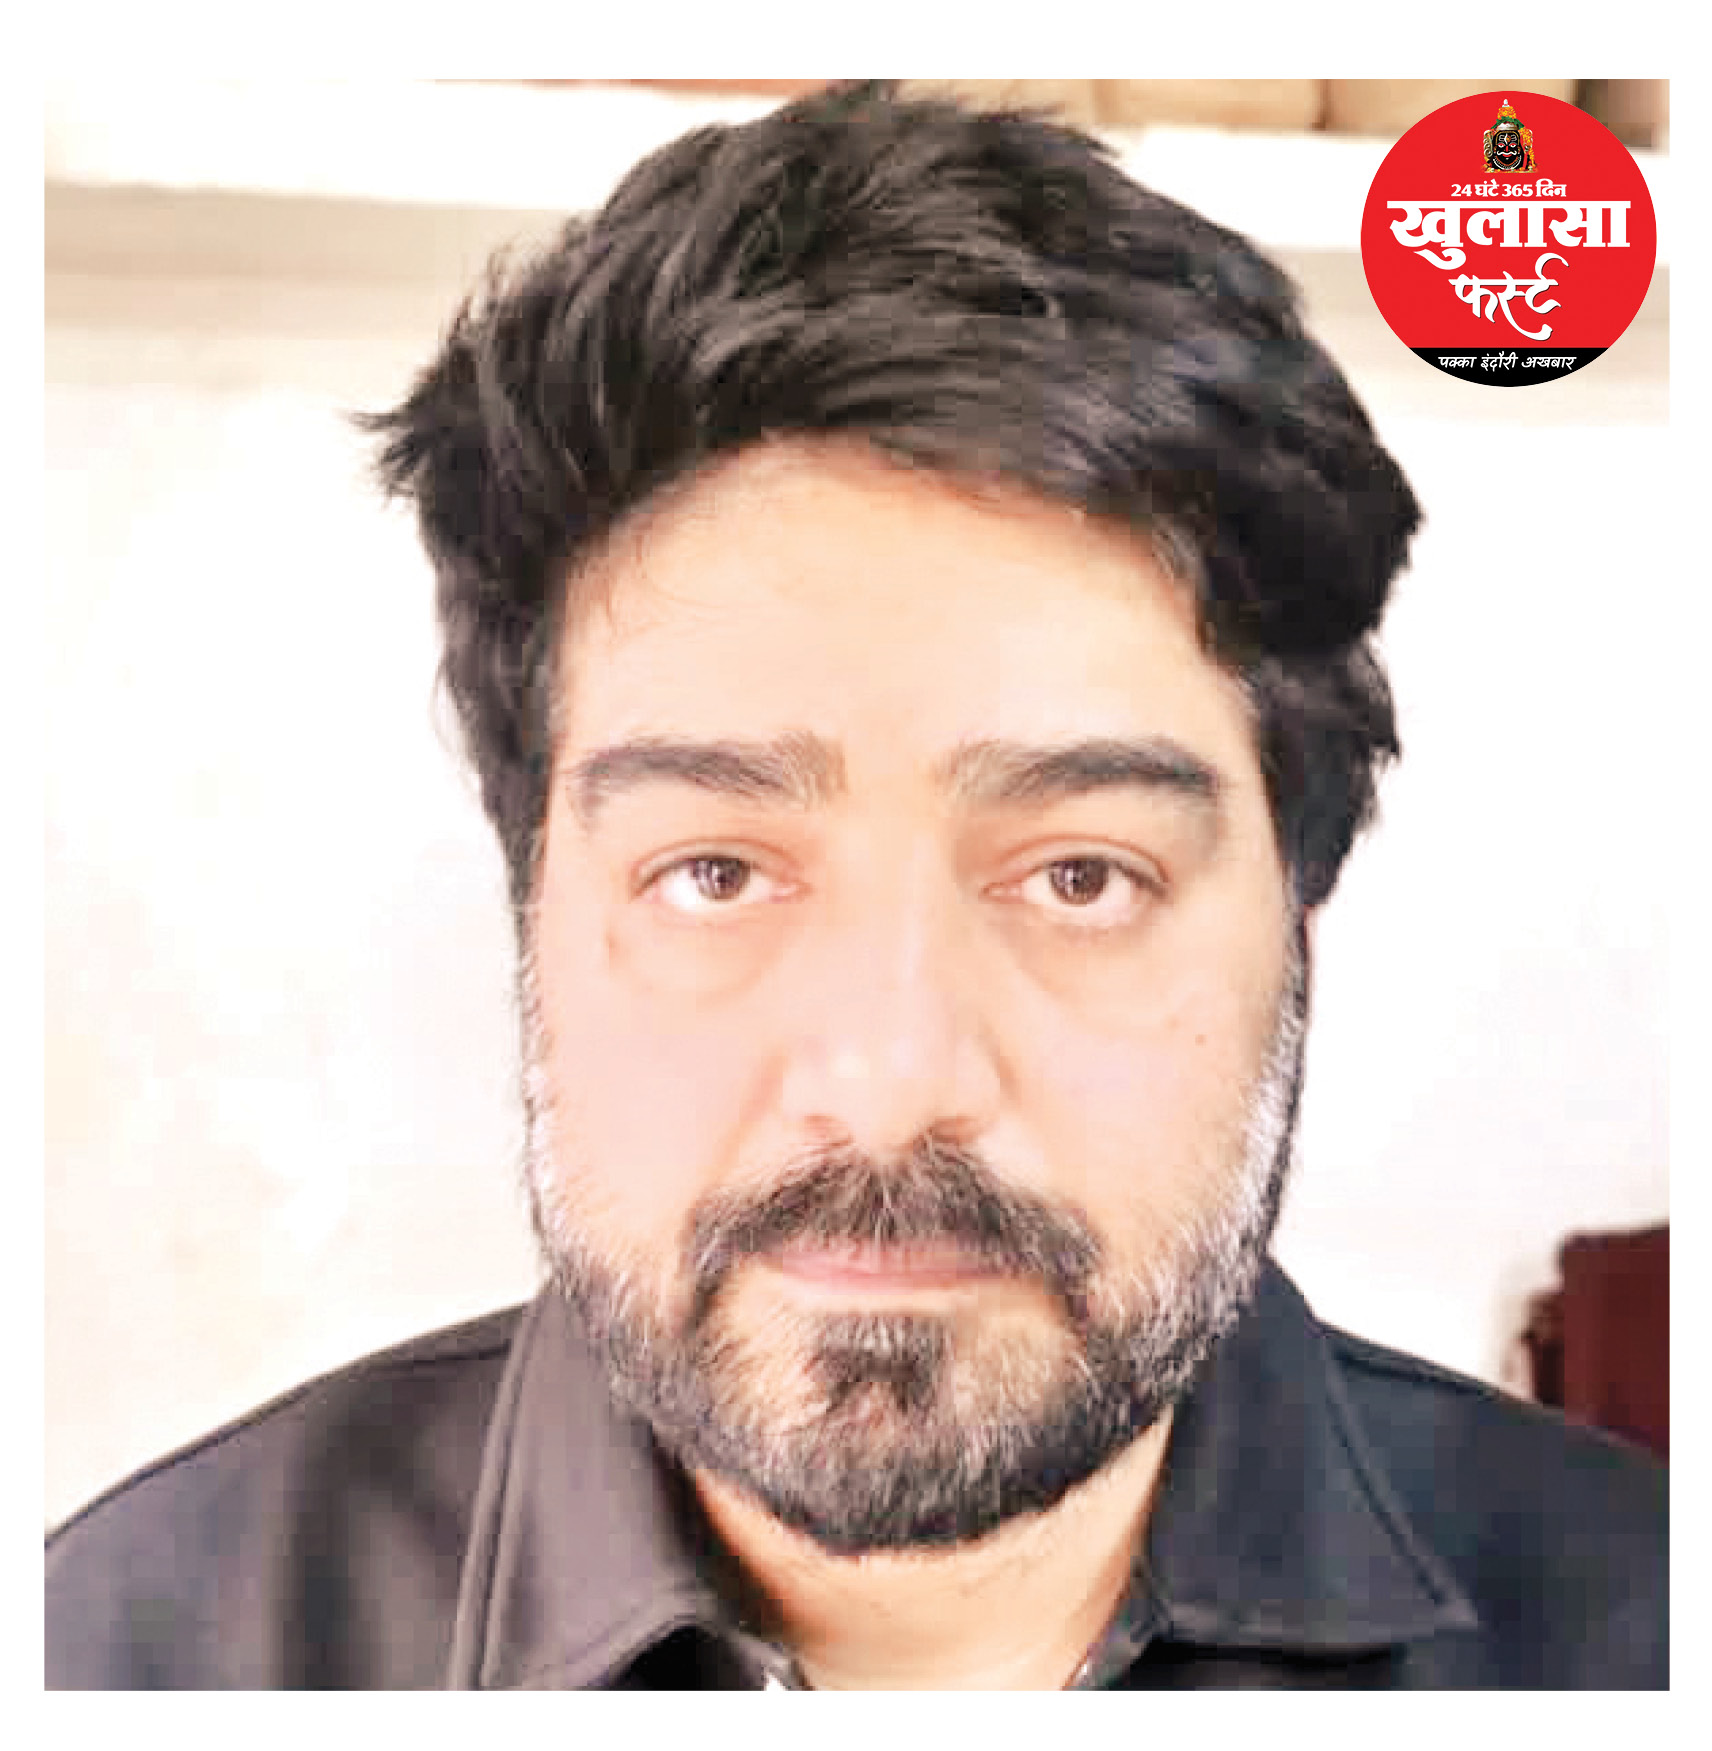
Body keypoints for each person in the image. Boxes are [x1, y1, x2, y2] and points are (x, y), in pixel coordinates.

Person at [45, 80, 1666, 1690]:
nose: (891, 1082)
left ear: (1296, 933)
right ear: (534, 912)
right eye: (716, 871)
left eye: (1081, 877)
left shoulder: (1646, 1637)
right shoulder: (125, 1656)